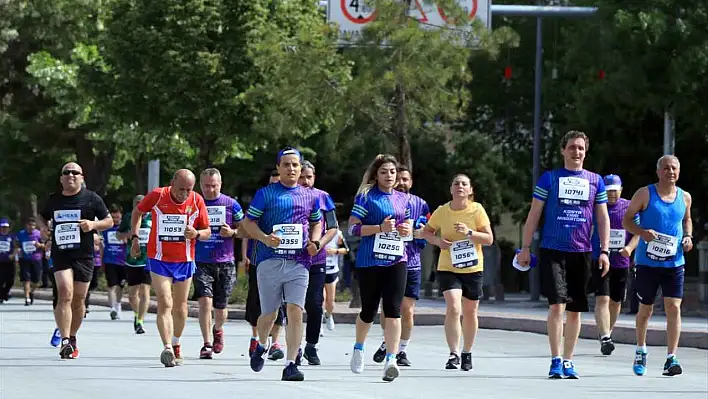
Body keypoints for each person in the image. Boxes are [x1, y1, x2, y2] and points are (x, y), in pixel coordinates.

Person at [516, 131, 610, 379]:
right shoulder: (549, 179)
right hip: (553, 249)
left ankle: (569, 360)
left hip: (582, 251)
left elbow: (602, 217)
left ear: (585, 152)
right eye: (571, 147)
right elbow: (534, 215)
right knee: (557, 305)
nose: (576, 152)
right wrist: (525, 247)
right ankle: (555, 359)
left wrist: (604, 250)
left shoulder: (595, 181)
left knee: (575, 309)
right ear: (563, 150)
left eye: (580, 148)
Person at [242, 147, 323, 382]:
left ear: (300, 168)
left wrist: (316, 242)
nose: (291, 169)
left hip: (299, 262)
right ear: (278, 168)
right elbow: (248, 223)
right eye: (286, 164)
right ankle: (261, 345)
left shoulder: (310, 196)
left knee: (295, 310)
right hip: (269, 260)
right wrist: (265, 238)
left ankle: (291, 364)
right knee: (269, 314)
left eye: (295, 165)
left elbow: (316, 223)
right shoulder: (266, 194)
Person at [130, 169, 211, 367]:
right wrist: (134, 236)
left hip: (184, 259)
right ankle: (166, 348)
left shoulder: (197, 200)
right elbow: (138, 211)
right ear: (172, 183)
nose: (184, 194)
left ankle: (176, 343)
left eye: (188, 190)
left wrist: (196, 233)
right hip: (159, 258)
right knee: (165, 302)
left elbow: (207, 231)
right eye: (180, 189)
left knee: (181, 307)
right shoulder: (159, 195)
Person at [623, 155, 693, 377]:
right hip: (647, 263)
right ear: (658, 171)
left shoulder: (685, 197)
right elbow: (627, 220)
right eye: (666, 168)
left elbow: (687, 219)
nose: (670, 172)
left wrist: (689, 237)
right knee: (646, 309)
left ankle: (671, 357)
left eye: (674, 168)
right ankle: (641, 349)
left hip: (674, 262)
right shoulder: (645, 193)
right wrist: (643, 233)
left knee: (673, 307)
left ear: (679, 172)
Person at [347, 154, 412, 382]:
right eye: (384, 172)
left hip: (397, 259)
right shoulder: (366, 197)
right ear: (376, 175)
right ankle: (359, 347)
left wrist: (406, 231)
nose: (389, 176)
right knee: (369, 310)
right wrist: (379, 228)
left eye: (393, 172)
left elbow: (408, 228)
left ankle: (391, 359)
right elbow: (353, 229)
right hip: (370, 260)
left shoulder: (404, 199)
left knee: (394, 309)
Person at [38, 162, 113, 359]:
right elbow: (41, 217)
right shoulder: (53, 200)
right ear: (61, 178)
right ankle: (64, 340)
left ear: (81, 177)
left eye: (75, 172)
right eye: (66, 172)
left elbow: (109, 221)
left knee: (79, 300)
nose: (70, 175)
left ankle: (72, 337)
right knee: (65, 293)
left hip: (84, 255)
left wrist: (93, 224)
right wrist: (43, 229)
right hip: (61, 253)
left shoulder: (91, 198)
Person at [422, 174, 493, 371]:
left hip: (472, 267)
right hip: (448, 266)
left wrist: (469, 233)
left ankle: (467, 352)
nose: (460, 186)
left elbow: (489, 239)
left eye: (464, 184)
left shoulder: (477, 210)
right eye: (456, 183)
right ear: (451, 189)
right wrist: (438, 242)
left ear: (470, 190)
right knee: (454, 308)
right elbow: (427, 232)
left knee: (470, 311)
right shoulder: (442, 211)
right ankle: (453, 353)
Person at [373, 165, 429, 367]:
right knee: (387, 308)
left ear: (411, 182)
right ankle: (388, 341)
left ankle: (401, 349)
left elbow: (428, 231)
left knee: (407, 310)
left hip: (412, 262)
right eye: (400, 179)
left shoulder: (421, 204)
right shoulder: (384, 202)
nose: (402, 183)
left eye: (406, 179)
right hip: (388, 261)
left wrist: (420, 232)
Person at [194, 168, 244, 359]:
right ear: (200, 185)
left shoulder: (231, 204)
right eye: (206, 186)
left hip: (225, 261)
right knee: (205, 301)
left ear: (220, 184)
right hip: (201, 260)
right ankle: (206, 343)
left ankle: (218, 329)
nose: (210, 190)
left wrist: (232, 232)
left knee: (221, 308)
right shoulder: (195, 204)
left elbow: (246, 229)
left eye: (214, 186)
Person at [590, 174, 640, 355]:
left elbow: (638, 233)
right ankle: (605, 337)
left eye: (615, 191)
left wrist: (629, 248)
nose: (612, 194)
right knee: (602, 297)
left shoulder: (628, 207)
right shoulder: (597, 206)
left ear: (621, 190)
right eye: (608, 191)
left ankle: (607, 333)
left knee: (616, 301)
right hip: (600, 258)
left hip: (621, 260)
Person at [297, 160, 339, 365]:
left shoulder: (323, 197)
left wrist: (318, 243)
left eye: (309, 177)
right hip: (291, 260)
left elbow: (332, 227)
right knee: (293, 305)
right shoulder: (288, 196)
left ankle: (311, 346)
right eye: (302, 176)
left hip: (316, 259)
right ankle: (292, 346)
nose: (305, 181)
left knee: (314, 304)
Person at [117, 195, 152, 334]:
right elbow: (118, 235)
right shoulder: (128, 217)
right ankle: (137, 314)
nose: (139, 205)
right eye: (136, 203)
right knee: (132, 295)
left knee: (144, 290)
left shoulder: (153, 216)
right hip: (132, 260)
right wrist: (131, 234)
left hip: (148, 260)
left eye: (142, 203)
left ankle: (140, 321)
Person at [103, 204, 127, 320]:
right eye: (113, 218)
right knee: (111, 285)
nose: (115, 220)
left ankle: (118, 304)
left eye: (117, 218)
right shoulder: (106, 229)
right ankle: (112, 308)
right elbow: (102, 245)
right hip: (109, 260)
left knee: (120, 287)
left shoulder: (125, 228)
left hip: (123, 261)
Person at [323, 227, 348, 331]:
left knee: (330, 301)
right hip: (318, 270)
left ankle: (328, 315)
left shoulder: (337, 233)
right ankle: (318, 325)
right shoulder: (315, 231)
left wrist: (335, 251)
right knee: (320, 300)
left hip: (332, 270)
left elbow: (346, 250)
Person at [16, 217, 45, 306]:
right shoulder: (21, 234)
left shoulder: (39, 234)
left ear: (35, 226)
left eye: (33, 225)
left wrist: (39, 245)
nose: (31, 227)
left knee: (36, 281)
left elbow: (45, 245)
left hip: (36, 258)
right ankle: (27, 298)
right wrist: (18, 249)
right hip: (24, 259)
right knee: (26, 279)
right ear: (26, 225)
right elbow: (16, 243)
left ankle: (31, 292)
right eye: (29, 225)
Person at [84, 232, 103, 315]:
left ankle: (85, 302)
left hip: (96, 265)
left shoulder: (100, 243)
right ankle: (85, 305)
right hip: (86, 265)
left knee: (94, 284)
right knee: (85, 286)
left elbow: (101, 252)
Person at [0, 218, 16, 303]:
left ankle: (4, 293)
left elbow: (16, 247)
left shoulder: (12, 236)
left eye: (6, 227)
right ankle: (2, 296)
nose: (4, 228)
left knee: (10, 280)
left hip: (9, 261)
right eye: (2, 227)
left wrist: (13, 255)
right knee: (1, 280)